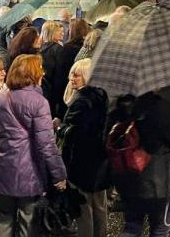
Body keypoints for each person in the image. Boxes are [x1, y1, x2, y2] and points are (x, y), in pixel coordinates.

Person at [0, 54, 67, 237]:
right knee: (28, 221)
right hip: (29, 172)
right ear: (33, 73)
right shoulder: (39, 103)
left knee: (2, 218)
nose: (43, 73)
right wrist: (59, 175)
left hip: (1, 168)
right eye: (40, 69)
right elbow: (46, 143)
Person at [110, 86, 170, 237]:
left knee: (132, 227)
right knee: (160, 228)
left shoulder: (121, 106)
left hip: (128, 177)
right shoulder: (160, 107)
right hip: (158, 181)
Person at [58, 58, 110, 237]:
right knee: (99, 205)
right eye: (72, 74)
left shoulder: (80, 101)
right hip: (99, 159)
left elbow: (74, 133)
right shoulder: (102, 96)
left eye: (77, 75)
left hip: (81, 161)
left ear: (87, 76)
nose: (72, 78)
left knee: (83, 208)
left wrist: (59, 127)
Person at [43, 18, 88, 119]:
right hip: (55, 90)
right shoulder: (58, 49)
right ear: (53, 33)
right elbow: (60, 73)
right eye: (60, 32)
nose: (63, 34)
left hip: (46, 88)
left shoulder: (41, 48)